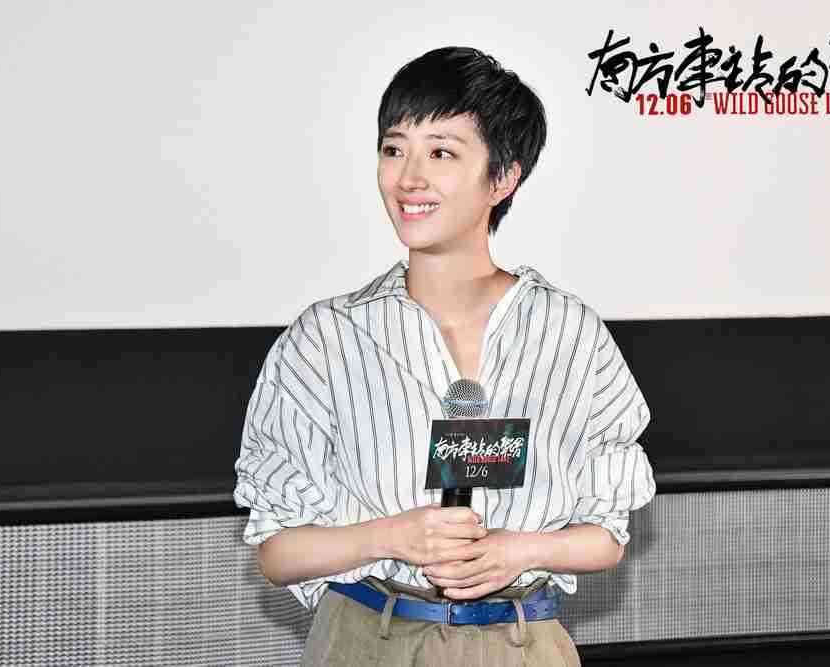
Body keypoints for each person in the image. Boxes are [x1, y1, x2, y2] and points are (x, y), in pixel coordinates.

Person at [232, 46, 656, 666]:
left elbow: (606, 535)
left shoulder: (569, 333)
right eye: (393, 149)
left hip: (520, 643)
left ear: (502, 178)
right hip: (367, 641)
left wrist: (515, 550)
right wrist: (393, 536)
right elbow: (276, 552)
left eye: (441, 153)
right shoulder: (326, 337)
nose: (409, 178)